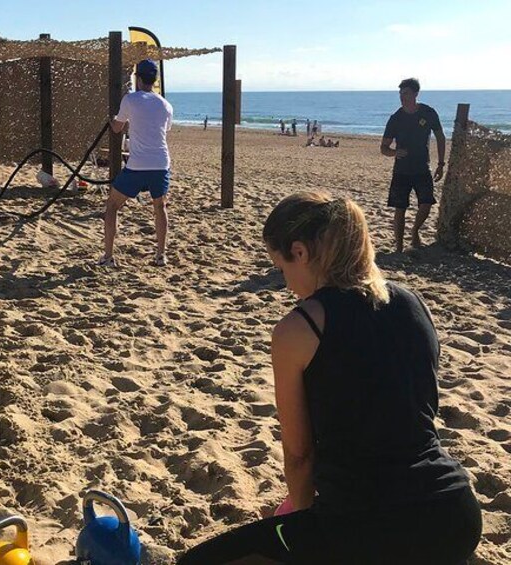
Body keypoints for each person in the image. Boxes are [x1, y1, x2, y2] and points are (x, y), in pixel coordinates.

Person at [177, 192, 481, 565]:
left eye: (281, 267)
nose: (286, 283)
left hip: (371, 525)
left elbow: (300, 456)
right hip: (454, 514)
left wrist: (303, 524)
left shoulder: (300, 327)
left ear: (300, 253)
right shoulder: (413, 302)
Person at [99, 59, 173, 267]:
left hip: (138, 164)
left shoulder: (130, 100)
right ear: (155, 79)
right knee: (160, 206)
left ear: (138, 78)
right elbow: (163, 131)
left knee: (112, 205)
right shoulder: (166, 104)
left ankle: (108, 256)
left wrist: (113, 118)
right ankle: (160, 255)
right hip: (160, 162)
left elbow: (116, 128)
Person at [381, 78, 446, 252]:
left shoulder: (428, 112)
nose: (403, 97)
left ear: (416, 94)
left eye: (406, 93)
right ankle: (399, 247)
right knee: (400, 208)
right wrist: (395, 152)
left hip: (422, 168)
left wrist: (441, 163)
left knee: (426, 203)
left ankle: (415, 230)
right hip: (401, 170)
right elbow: (383, 148)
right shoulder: (395, 118)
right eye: (401, 94)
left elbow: (440, 137)